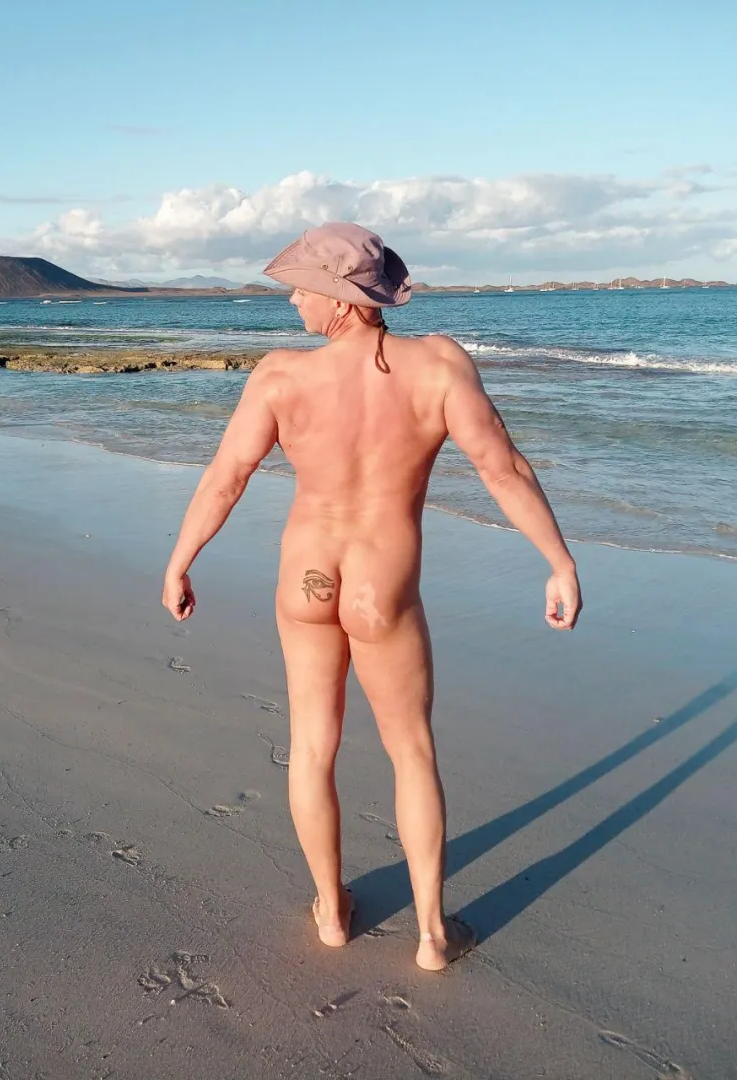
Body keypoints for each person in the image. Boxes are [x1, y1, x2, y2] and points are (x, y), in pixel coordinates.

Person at [162, 223, 581, 970]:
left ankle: (331, 909)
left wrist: (181, 560)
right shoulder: (440, 367)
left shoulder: (281, 377)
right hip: (382, 591)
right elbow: (504, 469)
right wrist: (558, 561)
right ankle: (430, 934)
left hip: (305, 584)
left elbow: (225, 477)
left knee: (312, 748)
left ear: (344, 302)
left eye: (304, 289)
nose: (293, 301)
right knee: (411, 751)